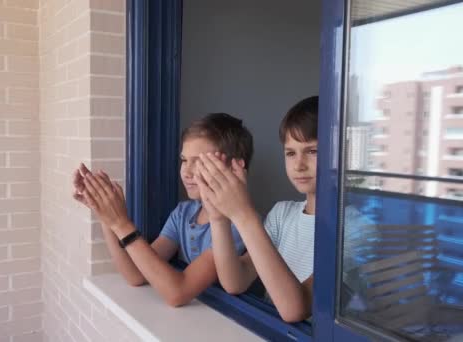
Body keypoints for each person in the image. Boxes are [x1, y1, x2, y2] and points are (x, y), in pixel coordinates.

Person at [72, 113, 252, 307]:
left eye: (199, 161)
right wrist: (107, 216)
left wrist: (121, 223)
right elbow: (136, 274)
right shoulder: (184, 213)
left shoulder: (236, 225)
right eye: (184, 160)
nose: (187, 171)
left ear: (234, 167)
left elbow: (178, 292)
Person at [196, 96, 319, 322]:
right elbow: (235, 281)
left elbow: (295, 310)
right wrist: (219, 218)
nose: (299, 164)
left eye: (312, 151)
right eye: (291, 153)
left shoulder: (356, 228)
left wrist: (243, 214)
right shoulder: (282, 214)